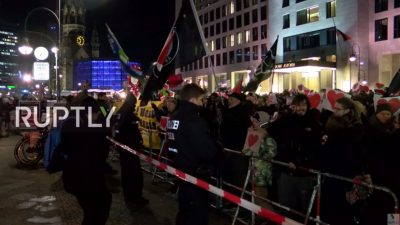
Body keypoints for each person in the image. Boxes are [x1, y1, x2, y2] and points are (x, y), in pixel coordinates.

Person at [166, 83, 219, 225]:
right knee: (196, 213)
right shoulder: (194, 120)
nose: (202, 103)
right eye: (201, 99)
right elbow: (206, 151)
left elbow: (170, 144)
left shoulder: (174, 117)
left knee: (185, 209)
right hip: (196, 172)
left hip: (181, 168)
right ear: (193, 100)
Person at [267, 94, 322, 219]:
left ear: (308, 106)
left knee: (305, 208)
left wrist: (304, 162)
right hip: (287, 170)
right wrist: (286, 159)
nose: (300, 108)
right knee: (285, 206)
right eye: (297, 105)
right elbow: (273, 133)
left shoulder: (314, 123)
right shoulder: (286, 120)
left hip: (305, 172)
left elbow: (316, 148)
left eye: (303, 105)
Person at [61, 97, 112, 225]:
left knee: (93, 211)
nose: (98, 114)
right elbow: (100, 150)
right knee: (96, 210)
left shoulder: (74, 123)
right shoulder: (86, 129)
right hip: (84, 177)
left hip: (77, 176)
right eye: (95, 112)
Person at [320, 97, 365, 225]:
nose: (334, 111)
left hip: (345, 177)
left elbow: (352, 153)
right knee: (330, 210)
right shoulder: (331, 124)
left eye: (338, 109)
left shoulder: (355, 129)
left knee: (343, 212)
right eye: (334, 108)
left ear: (347, 111)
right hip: (331, 174)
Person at [115, 93, 149, 209]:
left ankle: (129, 195)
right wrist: (138, 143)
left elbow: (117, 129)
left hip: (123, 148)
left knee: (126, 173)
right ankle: (135, 197)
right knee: (135, 175)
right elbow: (133, 133)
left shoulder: (120, 112)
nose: (135, 105)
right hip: (131, 149)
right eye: (134, 103)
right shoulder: (129, 115)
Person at [242, 111, 277, 212]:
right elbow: (249, 151)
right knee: (257, 198)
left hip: (262, 172)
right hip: (255, 170)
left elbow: (272, 153)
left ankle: (273, 218)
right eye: (254, 121)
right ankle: (260, 218)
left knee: (260, 199)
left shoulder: (267, 137)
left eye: (257, 122)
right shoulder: (256, 134)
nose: (254, 123)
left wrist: (256, 153)